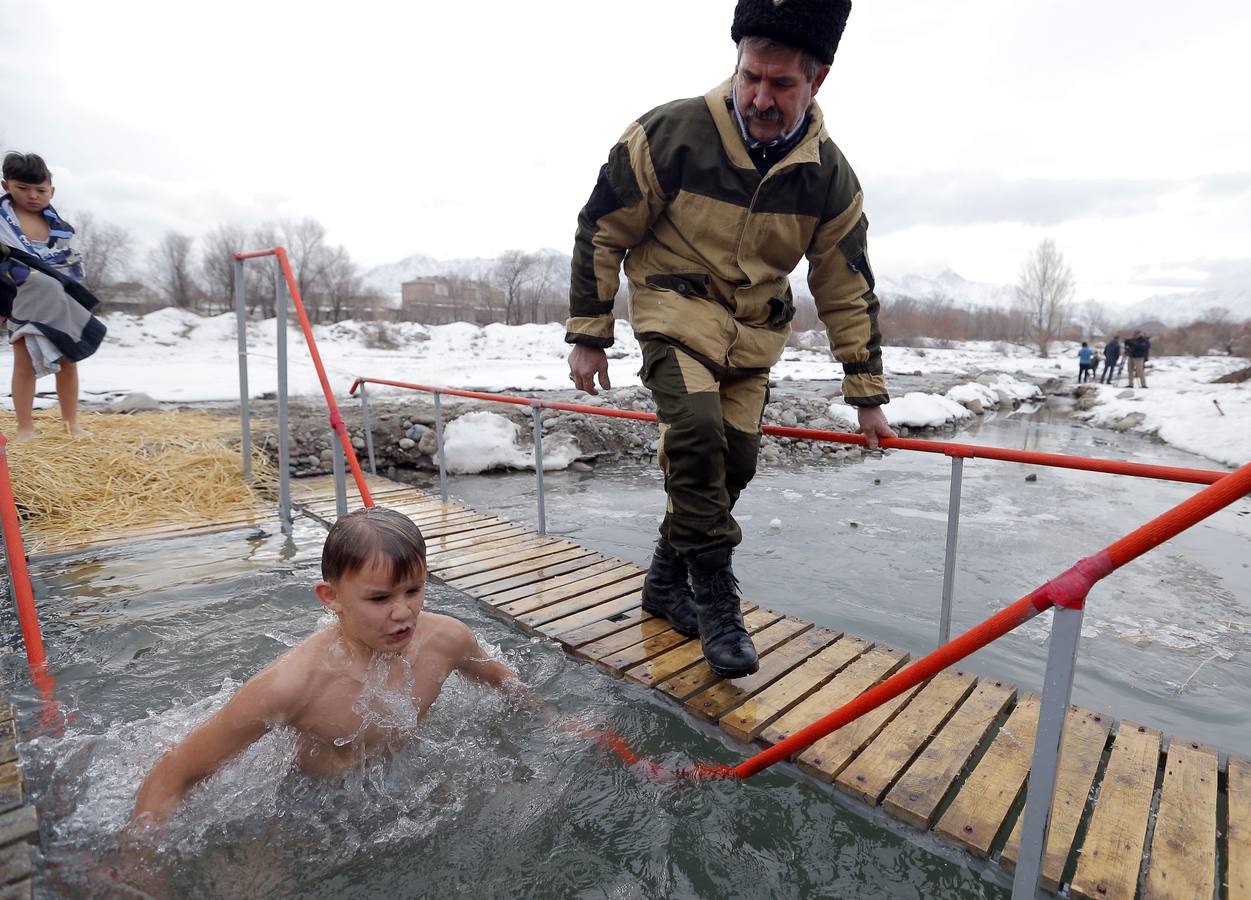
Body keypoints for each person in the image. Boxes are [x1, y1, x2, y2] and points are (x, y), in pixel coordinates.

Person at [565, 0, 894, 680]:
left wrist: (865, 392)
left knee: (734, 464)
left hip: (753, 338)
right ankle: (716, 596)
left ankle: (664, 581)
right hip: (673, 311)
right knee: (694, 434)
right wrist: (590, 332)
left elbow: (845, 285)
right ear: (737, 62)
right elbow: (602, 228)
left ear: (817, 80)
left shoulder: (829, 177)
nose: (760, 98)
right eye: (751, 77)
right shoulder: (669, 133)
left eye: (782, 84)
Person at [130, 507, 519, 827]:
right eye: (380, 599)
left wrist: (547, 720)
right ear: (331, 597)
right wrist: (137, 856)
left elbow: (504, 681)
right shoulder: (291, 685)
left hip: (405, 779)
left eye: (413, 590)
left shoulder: (447, 639)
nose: (403, 612)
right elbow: (177, 770)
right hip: (305, 804)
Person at [0, 152, 106, 439]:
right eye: (23, 188)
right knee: (24, 365)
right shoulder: (3, 224)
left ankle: (71, 424)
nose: (33, 196)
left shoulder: (60, 228)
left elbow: (70, 265)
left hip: (61, 302)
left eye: (41, 190)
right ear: (6, 185)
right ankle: (25, 428)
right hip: (23, 299)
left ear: (52, 191)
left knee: (68, 362)